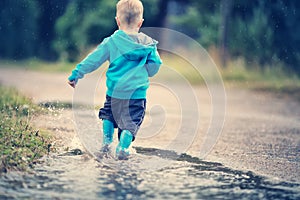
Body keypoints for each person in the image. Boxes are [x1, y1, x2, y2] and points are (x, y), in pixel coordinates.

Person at [67, 0, 162, 160]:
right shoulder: (148, 45)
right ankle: (123, 148)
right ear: (140, 22)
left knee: (109, 116)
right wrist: (146, 70)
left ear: (117, 21)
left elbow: (93, 59)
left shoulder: (111, 42)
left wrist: (77, 73)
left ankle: (106, 142)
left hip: (115, 93)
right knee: (130, 124)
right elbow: (155, 66)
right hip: (136, 95)